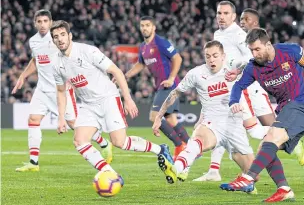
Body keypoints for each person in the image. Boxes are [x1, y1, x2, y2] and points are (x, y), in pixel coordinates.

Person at [223, 28, 304, 202]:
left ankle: (248, 177)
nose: (254, 54)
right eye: (252, 50)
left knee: (271, 137)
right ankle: (284, 189)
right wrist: (233, 102)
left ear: (268, 44)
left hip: (301, 105)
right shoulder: (253, 68)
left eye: (257, 49)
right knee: (265, 147)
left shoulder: (290, 51)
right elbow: (239, 86)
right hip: (285, 110)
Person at [193, 2, 300, 182]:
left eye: (225, 13)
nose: (221, 16)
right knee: (223, 123)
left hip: (249, 87)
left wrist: (233, 66)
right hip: (233, 87)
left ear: (233, 16)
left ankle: (292, 139)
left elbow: (251, 56)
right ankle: (215, 170)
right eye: (219, 13)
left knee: (264, 127)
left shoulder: (239, 35)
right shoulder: (218, 34)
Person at [50, 20, 174, 176]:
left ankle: (160, 149)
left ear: (70, 36)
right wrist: (61, 117)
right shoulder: (56, 64)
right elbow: (61, 91)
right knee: (79, 140)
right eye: (56, 37)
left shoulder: (88, 51)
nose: (60, 39)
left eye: (62, 35)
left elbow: (116, 71)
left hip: (108, 98)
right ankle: (109, 174)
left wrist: (127, 99)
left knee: (119, 142)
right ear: (53, 40)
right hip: (88, 105)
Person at [12, 10, 112, 172]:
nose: (43, 24)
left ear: (51, 22)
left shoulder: (58, 39)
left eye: (46, 21)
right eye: (39, 21)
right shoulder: (33, 41)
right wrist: (23, 75)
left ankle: (103, 142)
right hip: (42, 89)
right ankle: (33, 163)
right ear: (35, 23)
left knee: (74, 124)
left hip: (60, 89)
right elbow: (35, 60)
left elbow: (72, 57)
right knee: (33, 119)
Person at [152, 40, 256, 189]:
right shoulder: (196, 73)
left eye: (215, 55)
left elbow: (253, 62)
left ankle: (246, 184)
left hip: (234, 126)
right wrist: (158, 116)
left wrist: (240, 70)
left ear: (223, 56)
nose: (211, 59)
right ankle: (176, 169)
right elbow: (175, 93)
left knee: (254, 175)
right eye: (208, 56)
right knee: (198, 140)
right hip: (212, 122)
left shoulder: (232, 67)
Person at [240, 8, 304, 148]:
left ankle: (302, 133)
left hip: (259, 89)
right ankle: (303, 134)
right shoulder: (237, 38)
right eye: (240, 19)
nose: (241, 22)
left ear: (255, 22)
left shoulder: (266, 43)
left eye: (245, 19)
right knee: (262, 132)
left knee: (262, 132)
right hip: (249, 87)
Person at [124, 16, 189, 160]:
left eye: (148, 25)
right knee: (171, 118)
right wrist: (125, 76)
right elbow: (141, 64)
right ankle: (191, 148)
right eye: (142, 25)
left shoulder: (160, 42)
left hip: (169, 85)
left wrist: (171, 78)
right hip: (160, 86)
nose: (145, 28)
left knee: (154, 116)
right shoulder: (143, 47)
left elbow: (177, 58)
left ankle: (179, 145)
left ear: (154, 27)